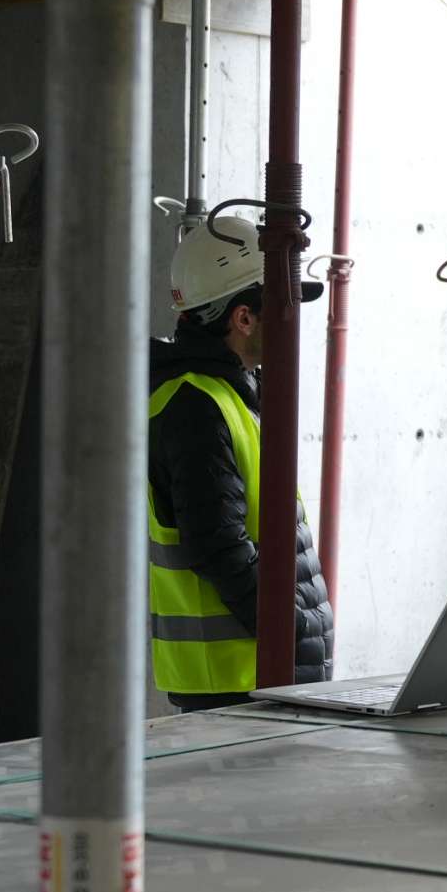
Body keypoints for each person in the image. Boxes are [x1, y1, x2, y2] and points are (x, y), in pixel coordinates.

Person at [146, 209, 335, 708]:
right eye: (282, 306)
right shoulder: (195, 407)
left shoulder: (232, 393)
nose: (293, 323)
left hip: (257, 674)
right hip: (235, 682)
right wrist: (297, 630)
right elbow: (219, 548)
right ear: (244, 316)